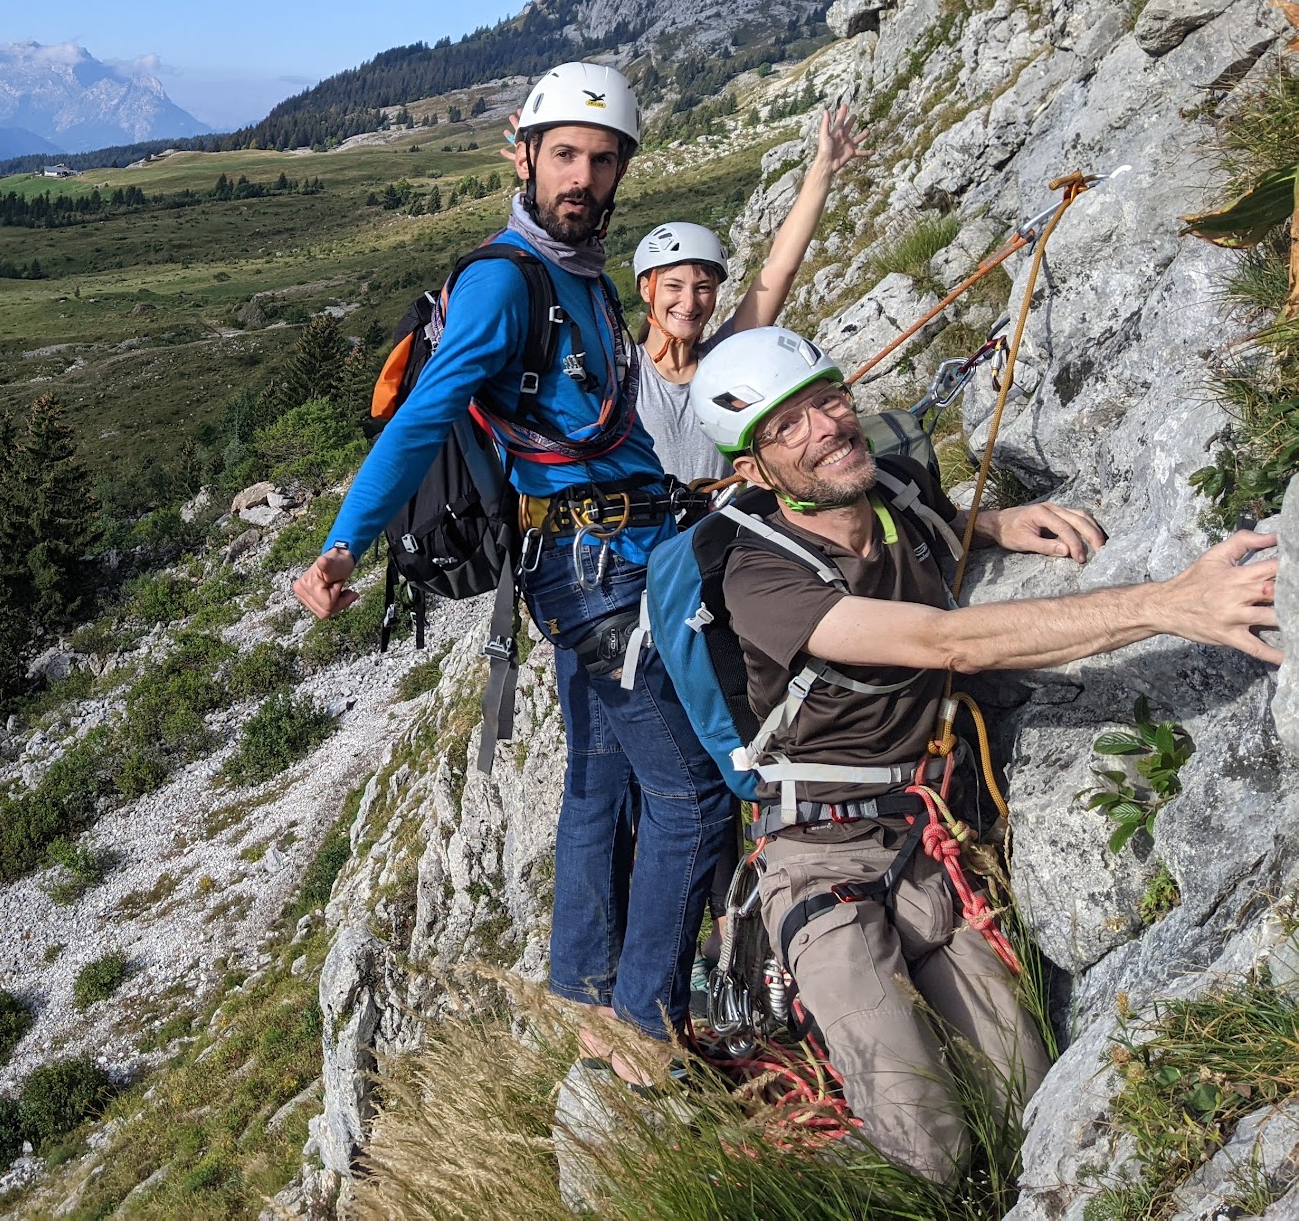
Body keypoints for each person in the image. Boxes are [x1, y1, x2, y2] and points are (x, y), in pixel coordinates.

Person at [692, 325, 1281, 1182]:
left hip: (924, 849)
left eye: (826, 398)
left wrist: (998, 522)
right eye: (786, 427)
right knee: (929, 1147)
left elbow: (932, 524)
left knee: (1024, 1105)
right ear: (753, 471)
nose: (824, 426)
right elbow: (946, 641)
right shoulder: (764, 581)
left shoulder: (896, 489)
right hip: (816, 859)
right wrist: (1169, 604)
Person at [293, 61, 732, 1084]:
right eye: (565, 155)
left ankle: (583, 994)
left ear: (619, 172)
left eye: (601, 159)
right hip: (596, 571)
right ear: (522, 153)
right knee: (695, 798)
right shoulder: (504, 281)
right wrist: (342, 542)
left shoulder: (580, 273)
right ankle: (642, 1028)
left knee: (598, 784)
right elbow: (424, 418)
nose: (581, 176)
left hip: (606, 552)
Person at [630, 103, 871, 485]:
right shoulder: (621, 372)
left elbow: (779, 269)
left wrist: (824, 166)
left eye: (703, 288)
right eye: (673, 287)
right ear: (647, 289)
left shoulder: (724, 361)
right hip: (649, 537)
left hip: (722, 533)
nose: (689, 303)